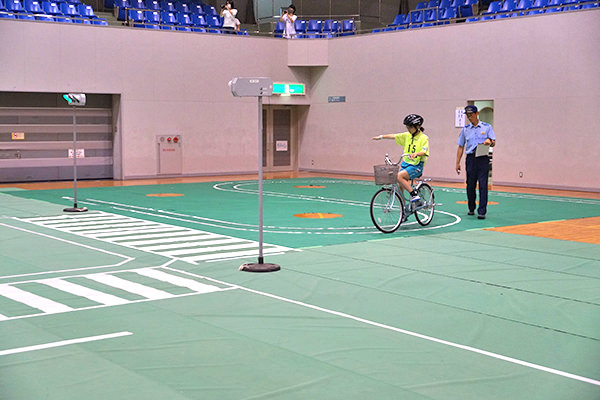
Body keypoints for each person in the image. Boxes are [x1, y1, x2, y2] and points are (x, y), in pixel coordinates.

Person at [372, 114, 430, 202]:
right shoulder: (407, 135)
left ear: (417, 126)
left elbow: (424, 151)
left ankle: (414, 195)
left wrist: (416, 154)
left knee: (399, 176)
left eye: (410, 127)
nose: (408, 129)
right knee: (400, 187)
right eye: (407, 127)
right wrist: (381, 137)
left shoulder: (424, 138)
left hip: (416, 166)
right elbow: (394, 136)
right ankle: (403, 209)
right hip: (405, 164)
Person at [455, 105, 496, 219]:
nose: (469, 117)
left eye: (471, 115)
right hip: (471, 159)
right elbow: (460, 146)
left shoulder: (487, 127)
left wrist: (489, 141)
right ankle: (471, 208)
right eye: (467, 115)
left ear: (477, 114)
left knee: (483, 185)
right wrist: (457, 162)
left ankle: (482, 211)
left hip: (482, 158)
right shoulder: (465, 129)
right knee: (470, 185)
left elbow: (493, 142)